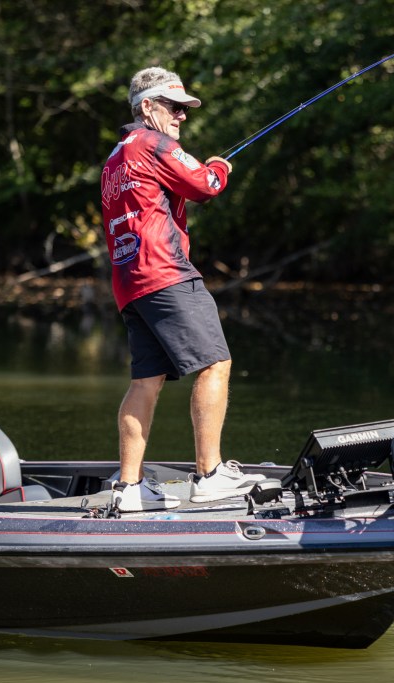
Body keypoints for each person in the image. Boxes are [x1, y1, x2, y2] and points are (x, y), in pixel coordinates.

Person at [100, 66, 262, 512]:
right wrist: (219, 167)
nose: (182, 116)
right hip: (166, 272)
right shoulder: (154, 143)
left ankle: (129, 488)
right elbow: (204, 185)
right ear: (147, 107)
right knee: (216, 363)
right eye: (174, 107)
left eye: (185, 109)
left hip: (130, 281)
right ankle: (210, 475)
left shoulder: (114, 158)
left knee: (145, 381)